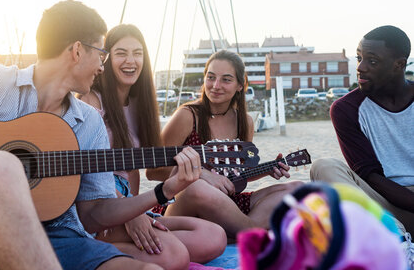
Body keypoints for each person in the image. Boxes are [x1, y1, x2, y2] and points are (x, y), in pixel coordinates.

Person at [0, 0, 203, 270]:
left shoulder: (89, 122)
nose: (102, 66)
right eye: (100, 54)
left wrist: (165, 190)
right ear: (77, 50)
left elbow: (93, 216)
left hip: (60, 237)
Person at [80, 24, 226, 268]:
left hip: (127, 201)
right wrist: (131, 214)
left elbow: (135, 170)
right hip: (99, 203)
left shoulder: (140, 104)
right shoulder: (91, 100)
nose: (131, 61)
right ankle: (90, 248)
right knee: (173, 255)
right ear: (106, 58)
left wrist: (136, 206)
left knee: (213, 237)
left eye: (137, 53)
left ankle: (129, 246)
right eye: (121, 53)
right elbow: (85, 174)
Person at [146, 50, 303, 239]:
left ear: (240, 85)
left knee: (297, 189)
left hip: (225, 204)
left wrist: (267, 170)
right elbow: (152, 171)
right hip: (182, 204)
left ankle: (238, 231)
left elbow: (232, 178)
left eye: (226, 79)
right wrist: (201, 175)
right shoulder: (188, 116)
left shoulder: (244, 122)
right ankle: (249, 231)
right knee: (198, 188)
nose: (216, 86)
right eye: (211, 77)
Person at [310, 25, 414, 234]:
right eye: (359, 58)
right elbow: (370, 177)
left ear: (399, 64)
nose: (361, 67)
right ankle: (398, 241)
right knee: (324, 166)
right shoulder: (346, 109)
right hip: (385, 208)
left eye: (372, 61)